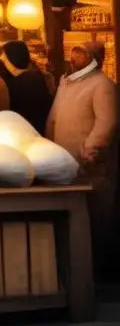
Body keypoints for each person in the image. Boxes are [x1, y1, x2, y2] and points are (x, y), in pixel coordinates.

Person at [46, 41, 118, 277]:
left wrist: (93, 148)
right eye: (73, 53)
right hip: (64, 164)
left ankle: (99, 271)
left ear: (93, 58)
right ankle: (76, 270)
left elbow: (106, 121)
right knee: (72, 221)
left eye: (79, 54)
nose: (73, 58)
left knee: (97, 217)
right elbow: (54, 117)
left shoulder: (102, 85)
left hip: (91, 166)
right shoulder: (66, 84)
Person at [0, 40, 52, 135]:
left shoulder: (21, 83)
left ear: (11, 58)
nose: (1, 58)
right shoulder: (36, 77)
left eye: (3, 55)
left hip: (25, 133)